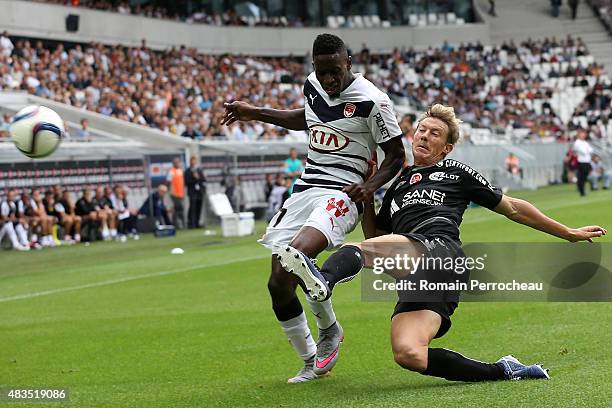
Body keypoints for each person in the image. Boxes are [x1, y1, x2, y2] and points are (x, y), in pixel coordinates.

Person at [286, 104, 607, 383]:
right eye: (422, 130)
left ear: (447, 148)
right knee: (409, 353)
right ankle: (502, 370)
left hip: (440, 252)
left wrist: (567, 232)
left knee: (351, 251)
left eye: (434, 133)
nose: (424, 136)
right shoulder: (397, 184)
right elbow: (377, 242)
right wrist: (368, 195)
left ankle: (322, 281)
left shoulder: (455, 172)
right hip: (414, 272)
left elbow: (512, 207)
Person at [222, 33, 405, 383]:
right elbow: (306, 119)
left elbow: (396, 155)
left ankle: (328, 329)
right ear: (314, 68)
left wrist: (368, 186)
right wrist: (255, 113)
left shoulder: (373, 101)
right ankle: (311, 359)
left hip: (343, 191)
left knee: (297, 254)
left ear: (348, 63)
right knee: (278, 283)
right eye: (323, 72)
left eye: (335, 71)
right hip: (305, 188)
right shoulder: (312, 86)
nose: (329, 79)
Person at [184, 155, 207, 228]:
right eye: (192, 160)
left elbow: (203, 180)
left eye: (195, 160)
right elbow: (186, 182)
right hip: (192, 192)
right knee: (192, 207)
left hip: (199, 192)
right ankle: (191, 223)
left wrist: (198, 178)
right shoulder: (187, 171)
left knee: (198, 207)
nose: (193, 162)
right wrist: (194, 179)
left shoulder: (199, 170)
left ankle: (197, 222)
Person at [166, 158, 186, 228]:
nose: (177, 164)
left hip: (181, 193)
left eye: (178, 162)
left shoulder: (180, 171)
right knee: (178, 208)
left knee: (178, 209)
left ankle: (177, 224)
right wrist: (169, 191)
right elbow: (168, 182)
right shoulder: (171, 171)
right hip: (174, 194)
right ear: (173, 163)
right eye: (176, 162)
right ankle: (178, 224)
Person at [573, 130, 593, 196]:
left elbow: (591, 150)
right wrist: (587, 151)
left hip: (587, 161)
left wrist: (587, 151)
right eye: (582, 134)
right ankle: (581, 191)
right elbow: (583, 151)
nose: (584, 135)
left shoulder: (585, 142)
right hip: (581, 161)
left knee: (585, 176)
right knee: (581, 177)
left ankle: (582, 189)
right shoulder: (577, 142)